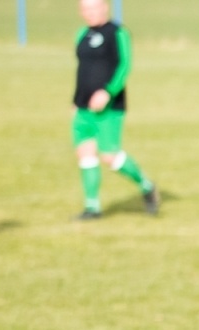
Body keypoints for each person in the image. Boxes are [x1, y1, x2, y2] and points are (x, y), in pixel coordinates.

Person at [71, 0, 159, 221]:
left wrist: (108, 92)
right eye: (85, 9)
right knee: (85, 154)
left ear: (104, 7)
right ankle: (92, 207)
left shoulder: (117, 33)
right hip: (82, 107)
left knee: (110, 156)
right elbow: (82, 71)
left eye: (93, 8)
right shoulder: (81, 34)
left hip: (110, 108)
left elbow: (125, 65)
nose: (89, 13)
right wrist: (75, 101)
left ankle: (146, 186)